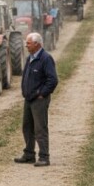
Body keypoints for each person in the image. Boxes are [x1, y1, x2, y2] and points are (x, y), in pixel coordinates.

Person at [14, 32, 58, 167]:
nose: (26, 45)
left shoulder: (46, 58)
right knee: (27, 127)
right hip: (29, 99)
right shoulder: (30, 58)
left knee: (40, 128)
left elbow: (53, 80)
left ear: (37, 44)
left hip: (39, 100)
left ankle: (44, 157)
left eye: (28, 43)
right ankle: (29, 154)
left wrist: (42, 93)